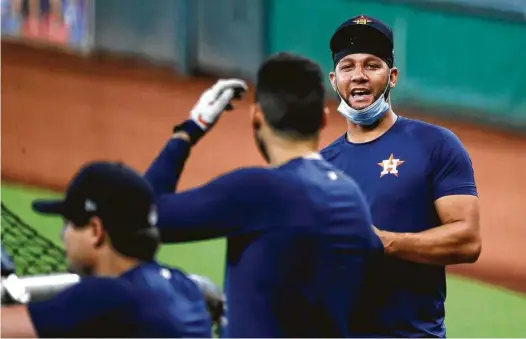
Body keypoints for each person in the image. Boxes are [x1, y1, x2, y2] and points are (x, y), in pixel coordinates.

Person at [143, 52, 384, 337]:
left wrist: (189, 130)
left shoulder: (257, 190)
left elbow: (143, 216)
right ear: (322, 119)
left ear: (257, 116)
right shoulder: (351, 197)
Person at [321, 14, 482, 338]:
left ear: (392, 76)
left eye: (372, 65)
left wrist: (384, 242)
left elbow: (467, 240)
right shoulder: (322, 165)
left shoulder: (435, 144)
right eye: (348, 66)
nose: (359, 77)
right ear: (333, 79)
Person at [1, 161, 213, 338]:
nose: (62, 235)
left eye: (69, 224)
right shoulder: (185, 287)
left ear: (95, 231)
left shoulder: (107, 296)